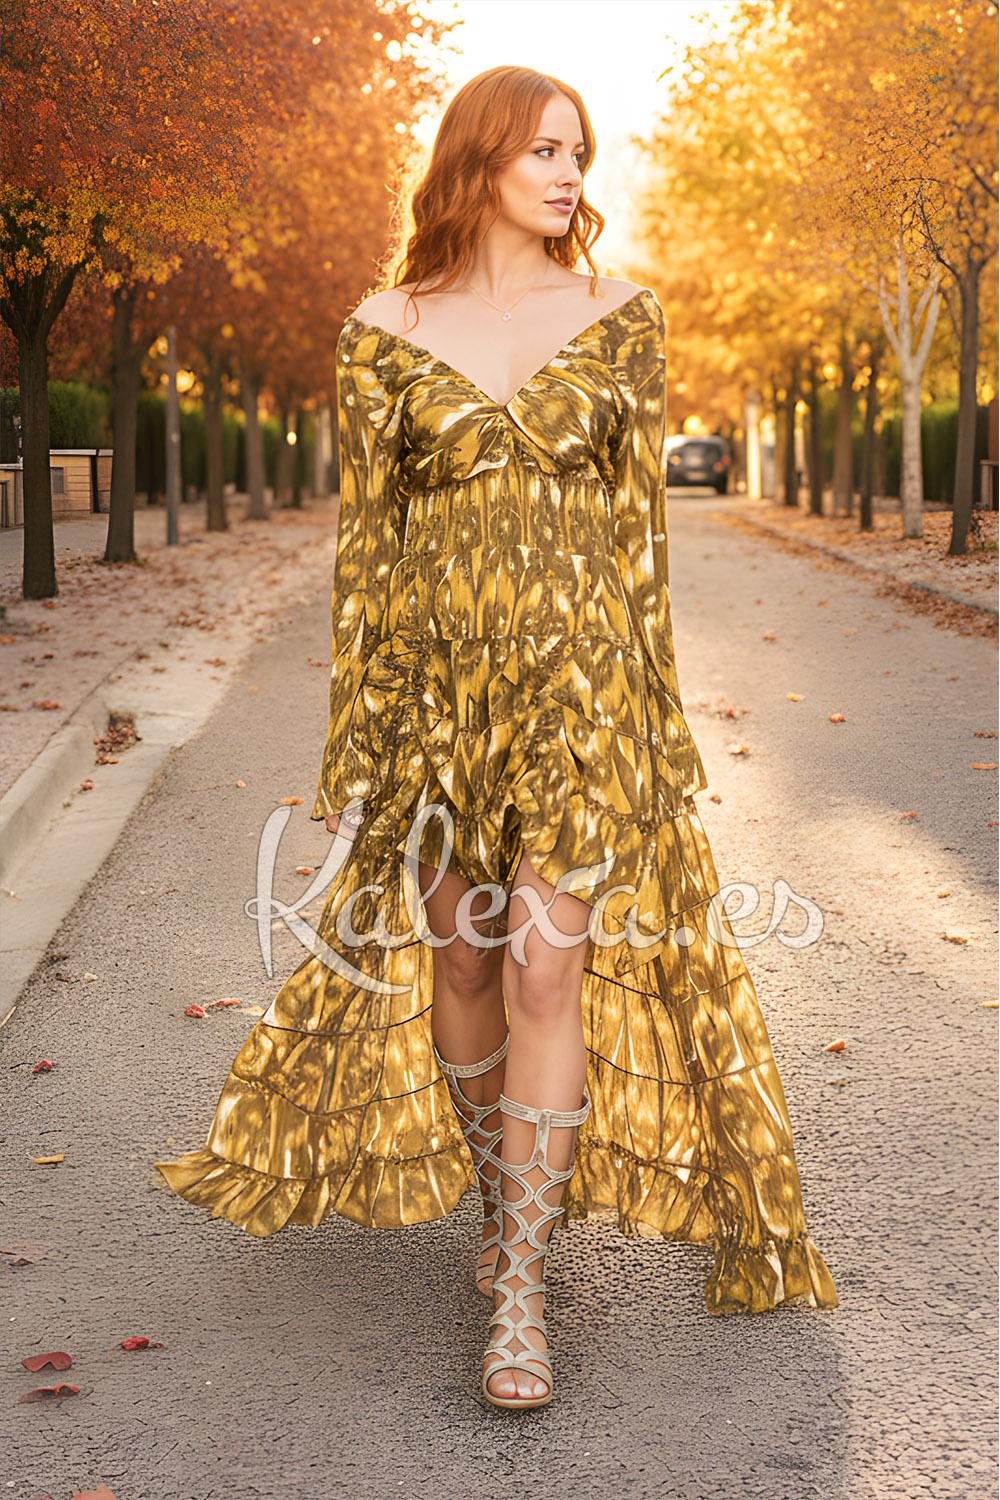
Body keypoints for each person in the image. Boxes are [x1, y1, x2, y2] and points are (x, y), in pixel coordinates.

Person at [156, 64, 837, 1414]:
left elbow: (642, 546)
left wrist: (652, 722)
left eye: (579, 153)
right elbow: (367, 557)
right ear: (477, 163)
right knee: (462, 963)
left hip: (581, 700)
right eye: (543, 151)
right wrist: (358, 747)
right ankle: (499, 1200)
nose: (569, 175)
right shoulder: (382, 330)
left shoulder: (623, 318)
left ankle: (520, 1286)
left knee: (540, 975)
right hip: (435, 702)